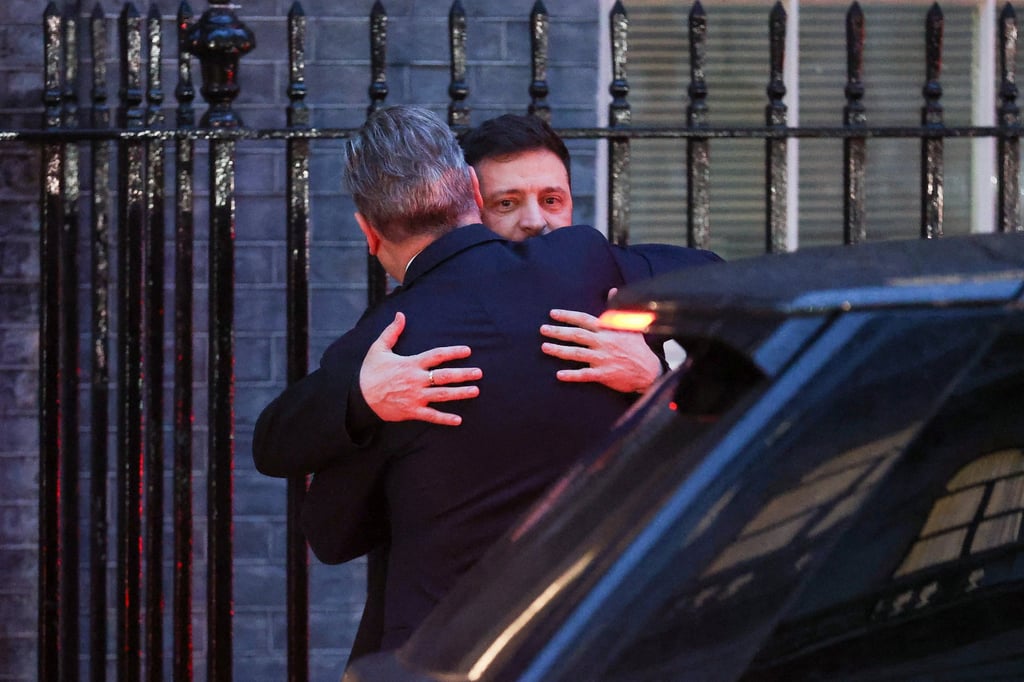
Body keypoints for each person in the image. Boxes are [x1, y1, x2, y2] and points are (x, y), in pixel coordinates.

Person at [252, 104, 722, 652]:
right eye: (508, 202)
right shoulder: (587, 269)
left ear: (367, 232)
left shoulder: (390, 338)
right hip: (582, 645)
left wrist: (658, 376)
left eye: (552, 200)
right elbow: (727, 281)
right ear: (472, 198)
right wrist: (363, 397)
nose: (535, 223)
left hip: (453, 650)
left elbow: (319, 511)